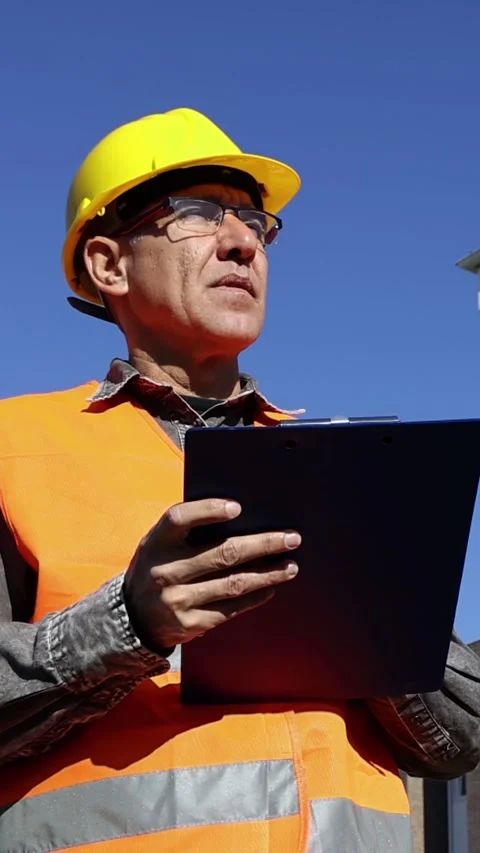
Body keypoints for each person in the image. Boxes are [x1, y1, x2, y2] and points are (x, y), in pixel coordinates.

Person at [0, 108, 478, 853]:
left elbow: (457, 742)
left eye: (255, 222)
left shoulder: (342, 471)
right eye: (198, 214)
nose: (242, 241)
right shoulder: (15, 446)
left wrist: (366, 611)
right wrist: (127, 622)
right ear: (107, 264)